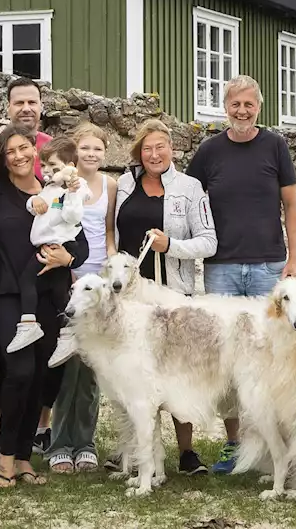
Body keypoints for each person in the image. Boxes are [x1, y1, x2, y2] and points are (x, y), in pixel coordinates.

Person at [184, 74, 296, 474]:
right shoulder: (208, 152)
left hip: (270, 266)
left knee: (274, 358)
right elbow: (187, 205)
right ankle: (234, 446)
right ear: (225, 107)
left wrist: (295, 260)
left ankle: (273, 447)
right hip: (220, 270)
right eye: (235, 104)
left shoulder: (276, 146)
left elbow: (292, 206)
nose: (242, 111)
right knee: (230, 362)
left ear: (259, 106)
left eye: (249, 104)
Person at [0, 124, 82, 488]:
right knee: (19, 372)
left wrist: (69, 258)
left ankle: (23, 456)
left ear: (35, 151)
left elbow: (78, 237)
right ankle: (5, 458)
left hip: (49, 293)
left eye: (24, 148)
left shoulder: (53, 188)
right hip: (8, 296)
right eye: (11, 151)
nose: (19, 156)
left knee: (40, 375)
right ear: (1, 158)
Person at [112, 117, 218, 475]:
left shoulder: (190, 188)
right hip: (129, 301)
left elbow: (209, 241)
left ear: (172, 149)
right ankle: (135, 452)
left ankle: (186, 452)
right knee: (132, 374)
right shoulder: (125, 185)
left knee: (175, 374)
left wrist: (170, 245)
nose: (154, 154)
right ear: (138, 152)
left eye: (160, 147)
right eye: (147, 148)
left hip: (173, 297)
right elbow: (112, 232)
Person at [0, 78, 54, 464]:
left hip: (46, 285)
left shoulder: (52, 176)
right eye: (19, 102)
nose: (26, 107)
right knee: (9, 368)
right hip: (3, 290)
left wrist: (69, 259)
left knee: (38, 371)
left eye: (32, 101)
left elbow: (73, 228)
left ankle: (29, 445)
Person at [45, 123, 117, 475]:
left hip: (98, 283)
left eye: (97, 149)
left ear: (105, 152)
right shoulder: (61, 182)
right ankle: (60, 444)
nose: (91, 154)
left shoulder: (110, 185)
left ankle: (85, 443)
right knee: (68, 367)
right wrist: (66, 268)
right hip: (67, 276)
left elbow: (107, 231)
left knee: (91, 369)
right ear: (77, 152)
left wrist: (111, 273)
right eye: (85, 148)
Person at [8, 136, 89, 354]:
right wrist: (33, 201)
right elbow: (34, 206)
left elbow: (73, 216)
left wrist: (72, 193)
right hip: (48, 246)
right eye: (43, 165)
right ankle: (67, 333)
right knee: (58, 291)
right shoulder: (50, 187)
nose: (46, 171)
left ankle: (28, 324)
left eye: (54, 166)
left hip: (60, 245)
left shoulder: (75, 188)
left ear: (70, 168)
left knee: (28, 280)